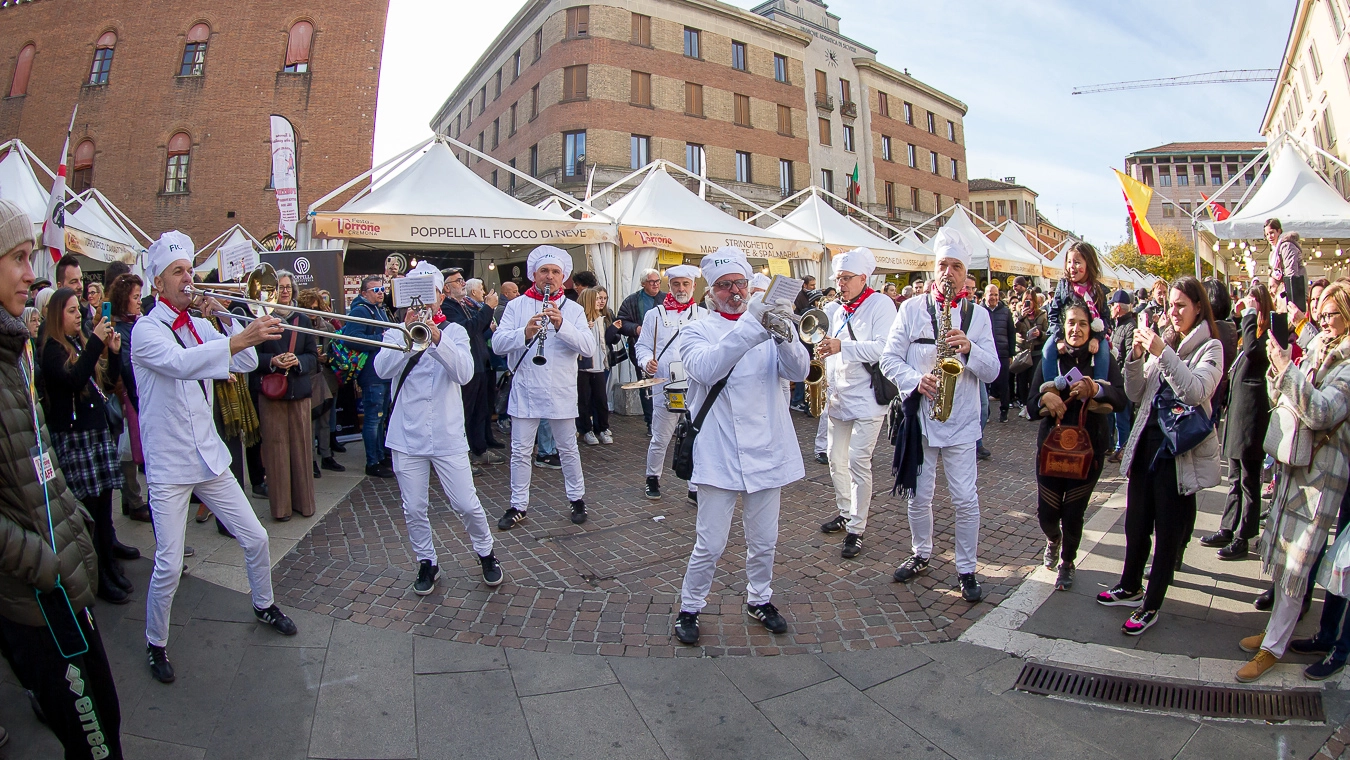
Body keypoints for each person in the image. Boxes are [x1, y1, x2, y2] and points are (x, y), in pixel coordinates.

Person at [132, 231, 298, 684]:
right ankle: (156, 642)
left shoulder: (199, 324)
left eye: (190, 270)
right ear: (157, 284)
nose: (189, 279)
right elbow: (183, 365)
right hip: (168, 464)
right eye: (178, 273)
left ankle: (263, 604)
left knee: (256, 538)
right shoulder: (146, 331)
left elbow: (242, 365)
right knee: (168, 562)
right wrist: (236, 338)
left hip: (208, 456)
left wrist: (227, 321)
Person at [0, 200, 125, 760]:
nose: (33, 273)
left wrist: (70, 524)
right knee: (93, 740)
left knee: (107, 719)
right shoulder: (29, 349)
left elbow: (39, 458)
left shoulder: (14, 352)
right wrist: (41, 561)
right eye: (19, 257)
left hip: (60, 574)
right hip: (35, 590)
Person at [671, 247, 809, 645]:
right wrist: (754, 323)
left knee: (764, 540)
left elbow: (799, 371)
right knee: (710, 543)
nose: (734, 291)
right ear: (711, 292)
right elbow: (706, 367)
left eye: (740, 284)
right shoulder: (696, 329)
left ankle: (760, 598)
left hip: (766, 448)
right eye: (725, 285)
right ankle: (690, 607)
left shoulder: (766, 325)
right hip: (719, 452)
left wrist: (784, 334)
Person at [1235, 281, 1350, 682]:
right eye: (1321, 310)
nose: (1321, 318)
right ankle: (1274, 634)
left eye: (1331, 312)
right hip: (1297, 468)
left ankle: (1274, 647)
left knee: (1298, 560)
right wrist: (1278, 370)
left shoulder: (1349, 364)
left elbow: (1321, 412)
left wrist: (1287, 371)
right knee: (1286, 557)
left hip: (1322, 478)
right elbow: (1286, 397)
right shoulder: (1321, 349)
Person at [880, 229, 1001, 602]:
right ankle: (921, 553)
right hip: (921, 419)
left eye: (956, 267)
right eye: (943, 266)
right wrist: (916, 381)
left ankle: (966, 568)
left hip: (961, 422)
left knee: (965, 498)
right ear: (934, 270)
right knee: (919, 496)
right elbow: (888, 359)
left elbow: (994, 370)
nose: (948, 273)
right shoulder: (910, 308)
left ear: (967, 275)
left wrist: (969, 351)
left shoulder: (977, 315)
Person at [1097, 276, 1222, 635]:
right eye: (1171, 305)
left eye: (1182, 305)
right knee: (1135, 522)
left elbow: (1195, 390)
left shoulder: (1210, 347)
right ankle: (1130, 585)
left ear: (1198, 307)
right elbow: (1136, 393)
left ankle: (1151, 605)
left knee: (1167, 532)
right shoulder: (1165, 341)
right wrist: (1136, 360)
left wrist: (1161, 353)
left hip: (1177, 452)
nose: (1174, 312)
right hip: (1147, 445)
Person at [375, 262, 503, 595]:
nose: (420, 303)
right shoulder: (394, 332)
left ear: (438, 296)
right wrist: (406, 338)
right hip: (406, 435)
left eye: (427, 294)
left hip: (446, 433)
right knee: (414, 506)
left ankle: (486, 552)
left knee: (465, 502)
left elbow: (464, 373)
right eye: (412, 296)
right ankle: (426, 561)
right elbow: (381, 370)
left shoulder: (456, 332)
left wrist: (435, 337)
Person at [39, 287, 136, 604]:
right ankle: (98, 578)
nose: (78, 315)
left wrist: (115, 352)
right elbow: (74, 380)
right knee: (90, 514)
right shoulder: (52, 350)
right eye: (70, 311)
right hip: (76, 438)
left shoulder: (78, 344)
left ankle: (109, 568)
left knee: (105, 510)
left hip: (95, 434)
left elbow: (103, 384)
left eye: (77, 310)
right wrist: (95, 341)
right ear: (56, 315)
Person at [492, 245, 596, 529]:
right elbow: (498, 344)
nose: (549, 277)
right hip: (526, 388)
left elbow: (589, 347)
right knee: (520, 450)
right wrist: (524, 332)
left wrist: (563, 326)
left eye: (555, 272)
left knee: (568, 449)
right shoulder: (516, 306)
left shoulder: (573, 309)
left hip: (560, 388)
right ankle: (518, 504)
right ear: (534, 275)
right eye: (544, 271)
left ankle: (577, 498)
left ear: (563, 278)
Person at [1032, 299, 1128, 591]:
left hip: (1090, 449)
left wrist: (1097, 389)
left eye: (1082, 323)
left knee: (1074, 513)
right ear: (1063, 326)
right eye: (1071, 322)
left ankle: (1068, 561)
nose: (1076, 328)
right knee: (1048, 514)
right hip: (1051, 448)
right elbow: (1029, 403)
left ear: (1092, 328)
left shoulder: (1103, 359)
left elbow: (1121, 399)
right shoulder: (1052, 358)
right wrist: (1044, 398)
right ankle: (1053, 539)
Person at [815, 248, 897, 559]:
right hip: (840, 397)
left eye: (847, 278)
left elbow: (883, 348)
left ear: (864, 278)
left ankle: (857, 528)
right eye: (839, 279)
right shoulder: (835, 310)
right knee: (836, 460)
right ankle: (845, 511)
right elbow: (834, 349)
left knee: (858, 462)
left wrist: (841, 346)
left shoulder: (881, 304)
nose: (842, 284)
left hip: (868, 400)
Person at [1201, 282, 1272, 561]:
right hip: (1238, 412)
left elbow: (1256, 352)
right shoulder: (1246, 330)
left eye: (1254, 300)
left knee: (1249, 479)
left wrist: (1252, 316)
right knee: (1234, 476)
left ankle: (1244, 535)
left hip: (1253, 415)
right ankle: (1228, 527)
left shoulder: (1268, 333)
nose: (1248, 303)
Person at [636, 265, 707, 502]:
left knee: (696, 437)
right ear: (669, 286)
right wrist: (647, 362)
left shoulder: (704, 315)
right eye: (676, 284)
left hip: (696, 387)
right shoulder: (654, 315)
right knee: (661, 437)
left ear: (693, 287)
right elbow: (642, 346)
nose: (681, 289)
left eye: (686, 284)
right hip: (664, 385)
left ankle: (694, 486)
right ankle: (652, 478)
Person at [254, 270, 318, 521]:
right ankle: (280, 508)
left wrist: (296, 360)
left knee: (302, 449)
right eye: (280, 287)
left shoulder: (303, 320)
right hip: (272, 394)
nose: (285, 291)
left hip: (299, 392)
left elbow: (313, 357)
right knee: (277, 451)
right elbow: (250, 358)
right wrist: (273, 360)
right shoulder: (261, 320)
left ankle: (304, 504)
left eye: (288, 286)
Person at [441, 268, 504, 466]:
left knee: (480, 410)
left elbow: (478, 327)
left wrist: (487, 316)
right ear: (446, 288)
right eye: (458, 281)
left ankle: (479, 449)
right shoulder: (448, 307)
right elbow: (467, 329)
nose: (462, 283)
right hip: (467, 366)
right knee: (466, 412)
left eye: (462, 279)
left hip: (479, 363)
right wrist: (487, 309)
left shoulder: (465, 304)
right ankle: (464, 455)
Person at [1040, 242, 1111, 393]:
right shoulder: (1063, 286)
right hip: (1064, 333)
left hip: (1091, 334)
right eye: (1069, 262)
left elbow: (1105, 318)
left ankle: (1099, 386)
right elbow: (1053, 314)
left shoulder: (1098, 290)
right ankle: (1051, 389)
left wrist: (1097, 338)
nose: (1072, 266)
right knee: (1047, 350)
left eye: (1077, 262)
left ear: (1089, 263)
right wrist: (1059, 338)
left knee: (1104, 350)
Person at [343, 276, 395, 477]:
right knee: (373, 419)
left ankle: (380, 455)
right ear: (364, 293)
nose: (381, 292)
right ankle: (372, 462)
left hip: (382, 373)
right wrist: (381, 339)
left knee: (380, 418)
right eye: (375, 290)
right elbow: (352, 339)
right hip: (372, 374)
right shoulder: (360, 310)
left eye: (382, 289)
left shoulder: (380, 310)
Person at [297, 288, 344, 474]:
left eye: (315, 308)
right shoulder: (298, 325)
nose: (312, 312)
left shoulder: (327, 326)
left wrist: (328, 357)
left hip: (326, 377)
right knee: (310, 423)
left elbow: (338, 349)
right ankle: (311, 461)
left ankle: (326, 456)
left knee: (325, 420)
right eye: (308, 308)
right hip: (308, 378)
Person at [615, 269, 665, 432]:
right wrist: (636, 328)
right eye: (651, 282)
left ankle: (666, 420)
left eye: (657, 281)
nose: (655, 285)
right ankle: (651, 421)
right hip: (641, 348)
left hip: (664, 349)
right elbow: (620, 321)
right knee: (647, 384)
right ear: (643, 283)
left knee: (665, 384)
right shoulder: (632, 300)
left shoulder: (665, 298)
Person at [576, 286, 619, 445]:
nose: (601, 302)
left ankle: (601, 428)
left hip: (599, 365)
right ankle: (586, 429)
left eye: (603, 298)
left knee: (601, 398)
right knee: (584, 399)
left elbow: (605, 342)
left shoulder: (602, 318)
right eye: (597, 299)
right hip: (583, 366)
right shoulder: (580, 321)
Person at [1106, 290, 1137, 462]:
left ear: (1118, 307)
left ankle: (1123, 450)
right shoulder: (1119, 325)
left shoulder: (1130, 326)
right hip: (1116, 379)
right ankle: (1114, 446)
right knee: (1114, 416)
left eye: (1112, 305)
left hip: (1124, 382)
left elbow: (1129, 357)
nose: (1110, 308)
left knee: (1122, 419)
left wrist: (1122, 379)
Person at [984, 283, 1016, 423]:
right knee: (985, 385)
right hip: (985, 353)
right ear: (985, 295)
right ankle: (986, 412)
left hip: (1002, 352)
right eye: (991, 294)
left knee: (1004, 384)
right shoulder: (979, 310)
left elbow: (1011, 333)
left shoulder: (1006, 311)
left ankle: (1004, 411)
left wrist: (1011, 353)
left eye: (996, 294)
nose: (994, 297)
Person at [1014, 293, 1048, 417]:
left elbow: (1048, 333)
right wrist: (1021, 318)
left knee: (1034, 379)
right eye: (1025, 300)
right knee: (1022, 380)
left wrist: (1040, 334)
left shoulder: (1042, 314)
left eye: (1030, 300)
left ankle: (1031, 406)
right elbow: (1014, 329)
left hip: (1037, 351)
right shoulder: (1018, 313)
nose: (1028, 303)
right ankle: (1024, 404)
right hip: (1023, 351)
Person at [1265, 217, 1305, 300]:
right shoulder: (1274, 251)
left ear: (1279, 231)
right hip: (1284, 291)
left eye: (1271, 233)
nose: (1269, 237)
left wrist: (1291, 295)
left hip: (1295, 291)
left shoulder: (1286, 246)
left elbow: (1291, 271)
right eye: (1267, 234)